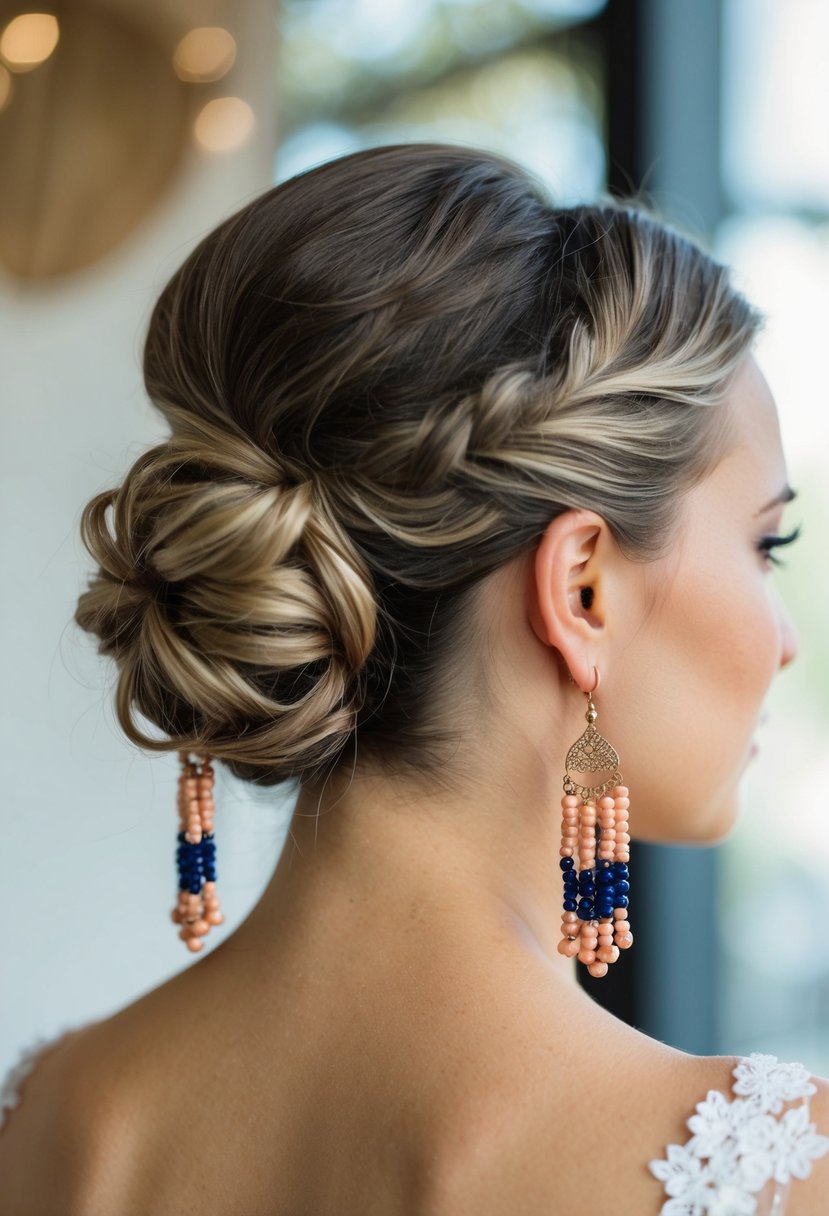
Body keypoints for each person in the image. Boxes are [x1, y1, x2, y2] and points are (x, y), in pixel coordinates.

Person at [1, 142, 827, 1215]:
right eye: (766, 545)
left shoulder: (52, 1122)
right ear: (581, 590)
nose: (785, 641)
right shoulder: (777, 1174)